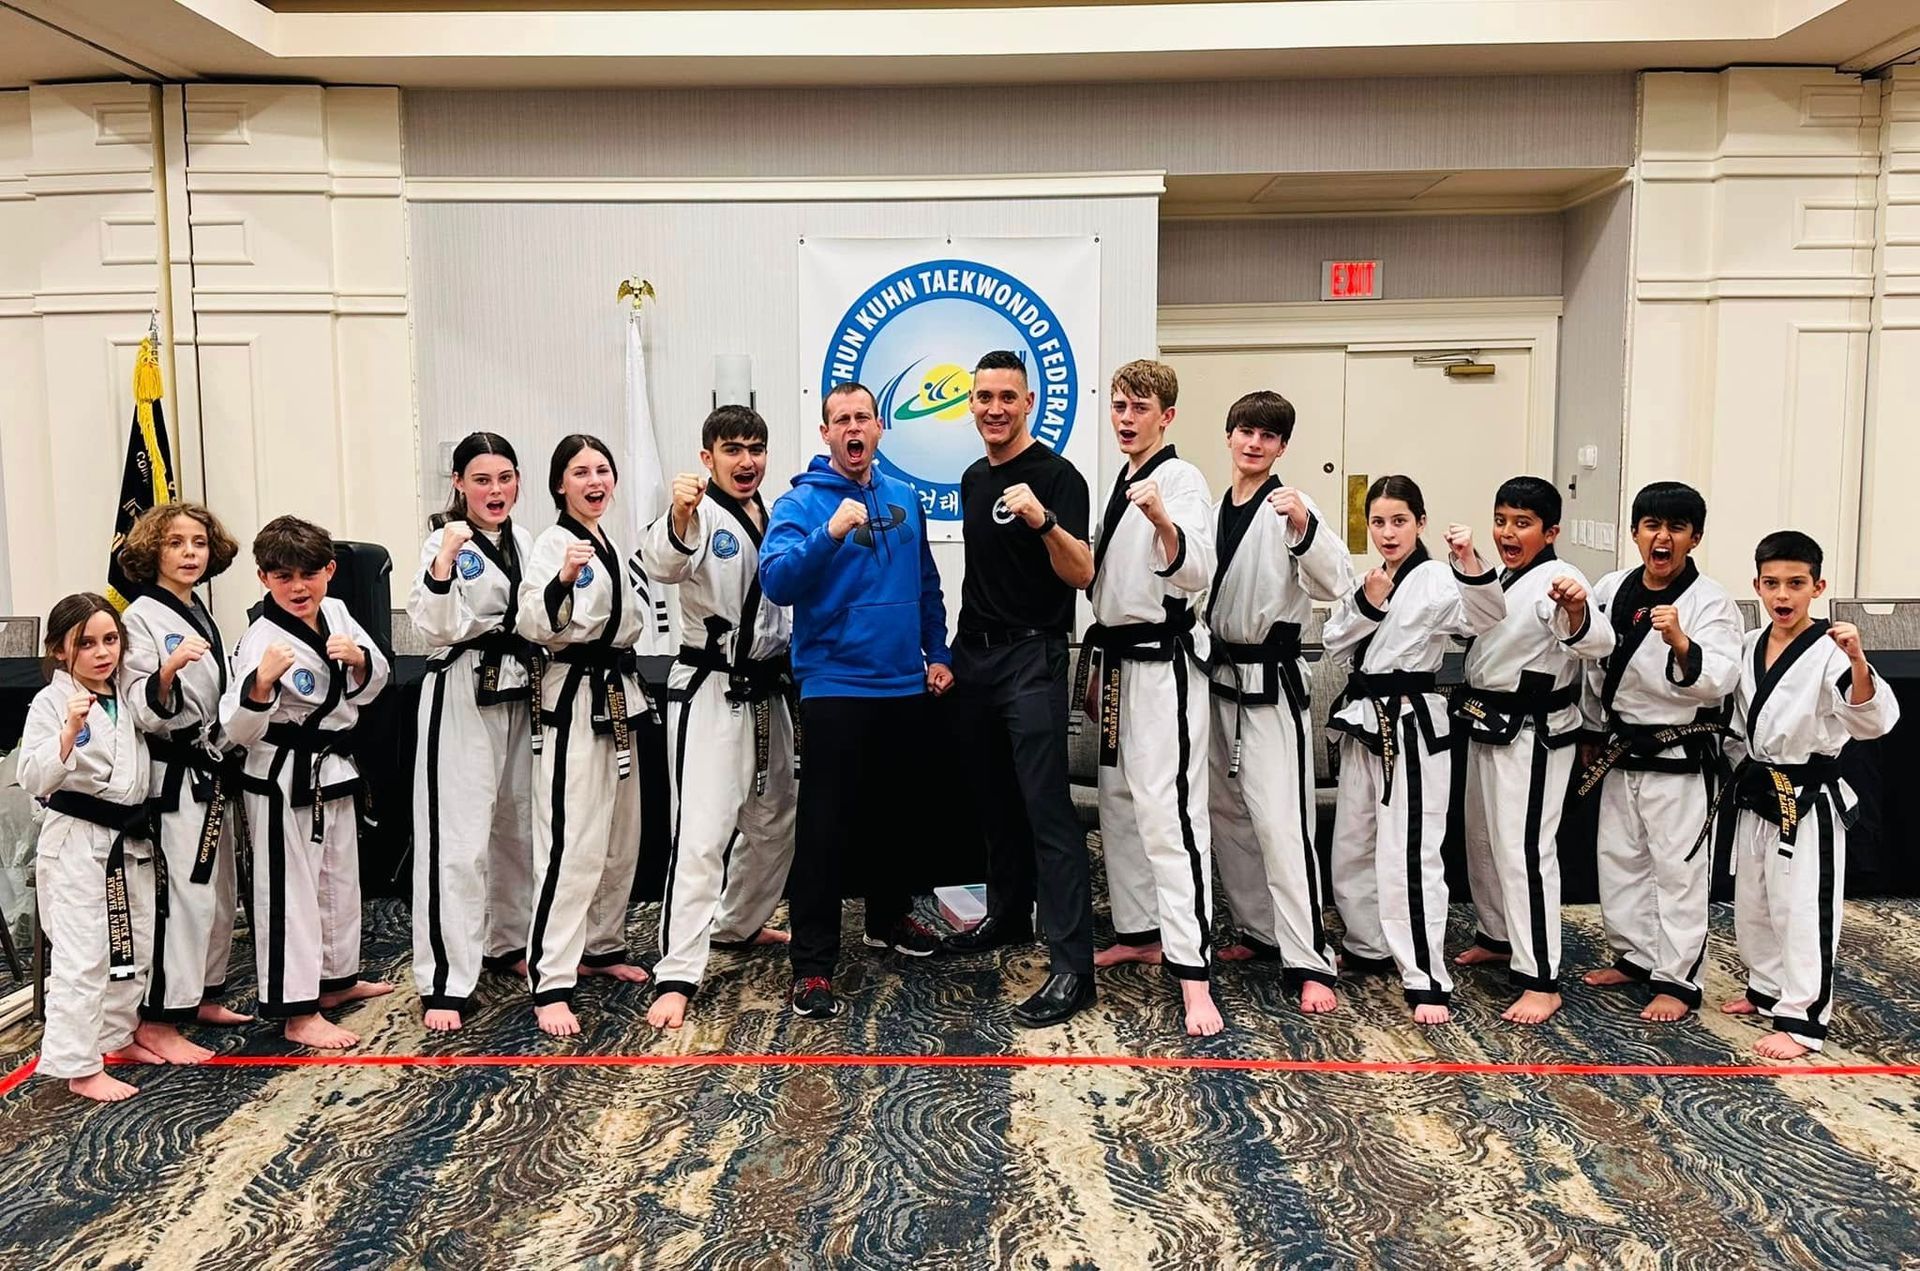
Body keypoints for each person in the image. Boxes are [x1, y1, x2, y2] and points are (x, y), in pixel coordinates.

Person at [760, 381, 952, 1020]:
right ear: (826, 433)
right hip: (835, 683)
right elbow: (777, 581)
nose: (853, 428)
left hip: (902, 681)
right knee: (825, 828)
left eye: (862, 418)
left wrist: (937, 652)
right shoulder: (800, 503)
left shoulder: (904, 497)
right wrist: (829, 534)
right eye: (840, 419)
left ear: (878, 428)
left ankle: (887, 920)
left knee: (896, 815)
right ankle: (813, 965)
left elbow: (927, 583)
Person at [938, 350, 1097, 1029]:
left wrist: (1044, 520)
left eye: (1008, 397)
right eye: (984, 397)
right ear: (971, 404)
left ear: (1029, 402)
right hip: (974, 656)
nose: (995, 408)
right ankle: (1006, 916)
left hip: (1034, 655)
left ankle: (1072, 968)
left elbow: (1082, 572)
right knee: (992, 801)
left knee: (1046, 810)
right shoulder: (974, 477)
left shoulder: (1059, 477)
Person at [639, 405, 796, 1030]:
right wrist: (679, 513)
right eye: (733, 449)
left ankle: (738, 924)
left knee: (775, 820)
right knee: (702, 833)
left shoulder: (776, 513)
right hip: (710, 688)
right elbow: (662, 564)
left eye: (756, 448)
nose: (747, 461)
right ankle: (677, 973)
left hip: (769, 689)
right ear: (708, 458)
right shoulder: (698, 514)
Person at [1326, 477, 1503, 1025]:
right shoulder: (1371, 578)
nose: (1388, 532)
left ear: (1420, 523)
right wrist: (1368, 601)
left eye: (1399, 521)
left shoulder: (1436, 578)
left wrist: (1468, 559)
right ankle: (1367, 944)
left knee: (1409, 851)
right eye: (1379, 522)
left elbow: (1485, 617)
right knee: (1353, 843)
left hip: (1410, 723)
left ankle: (1426, 974)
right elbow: (1334, 642)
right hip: (1363, 720)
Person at [1080, 359, 1223, 1037]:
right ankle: (1139, 932)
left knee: (1171, 817)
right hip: (1116, 662)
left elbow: (1196, 568)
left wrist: (1163, 519)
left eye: (1139, 407)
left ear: (1167, 416)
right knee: (1120, 805)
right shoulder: (1123, 477)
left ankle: (1195, 974)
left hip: (1165, 666)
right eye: (1119, 406)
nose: (1126, 418)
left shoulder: (1181, 478)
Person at [1719, 531, 1900, 1058]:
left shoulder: (1832, 650)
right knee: (1755, 900)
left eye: (1796, 584)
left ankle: (1804, 1019)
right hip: (1759, 788)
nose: (1783, 595)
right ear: (1756, 586)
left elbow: (1872, 720)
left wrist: (1859, 660)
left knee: (1803, 908)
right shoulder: (1750, 643)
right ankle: (1766, 989)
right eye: (1772, 583)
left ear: (1817, 588)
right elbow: (1737, 721)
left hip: (1807, 795)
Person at [1204, 390, 1352, 1013]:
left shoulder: (1292, 505)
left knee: (1282, 823)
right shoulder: (1214, 509)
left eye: (1268, 435)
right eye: (1245, 431)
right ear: (1229, 435)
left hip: (1271, 683)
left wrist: (1304, 529)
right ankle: (1261, 931)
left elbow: (1338, 582)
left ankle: (1311, 957)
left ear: (1282, 447)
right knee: (1228, 814)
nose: (1254, 443)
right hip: (1217, 679)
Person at [221, 516, 392, 1048]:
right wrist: (260, 684)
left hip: (331, 768)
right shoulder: (261, 639)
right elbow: (236, 728)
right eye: (283, 577)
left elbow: (375, 682)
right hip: (280, 776)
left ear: (330, 571)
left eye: (309, 575)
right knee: (289, 891)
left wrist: (360, 660)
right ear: (263, 578)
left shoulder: (336, 611)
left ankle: (336, 980)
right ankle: (296, 1010)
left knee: (338, 878)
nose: (298, 588)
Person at [1577, 482, 1743, 1022]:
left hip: (1679, 753)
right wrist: (1591, 729)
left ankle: (1678, 979)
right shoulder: (1612, 587)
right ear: (1635, 532)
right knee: (1621, 859)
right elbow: (1594, 666)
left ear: (1695, 537)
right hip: (1621, 746)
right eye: (1651, 525)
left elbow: (1721, 678)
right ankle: (1634, 957)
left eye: (1676, 527)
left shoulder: (1710, 601)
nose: (1662, 537)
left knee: (1678, 870)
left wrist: (1681, 643)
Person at [1450, 476, 1613, 1026]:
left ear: (1551, 531)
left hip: (1534, 732)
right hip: (1486, 719)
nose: (1508, 533)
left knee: (1524, 851)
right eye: (1501, 521)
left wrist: (1576, 611)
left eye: (1522, 524)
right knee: (1482, 840)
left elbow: (1599, 643)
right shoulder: (1500, 575)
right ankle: (1497, 936)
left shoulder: (1562, 579)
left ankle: (1541, 978)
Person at [516, 434, 652, 1037]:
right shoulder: (553, 544)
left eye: (602, 470)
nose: (595, 481)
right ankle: (550, 981)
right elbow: (533, 621)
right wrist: (564, 578)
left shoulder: (612, 543)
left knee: (621, 836)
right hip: (572, 701)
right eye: (580, 472)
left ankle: (602, 946)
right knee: (570, 843)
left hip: (619, 695)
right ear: (559, 484)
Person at [409, 432, 538, 1032]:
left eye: (505, 478)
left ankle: (507, 941)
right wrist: (442, 564)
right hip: (461, 687)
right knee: (457, 841)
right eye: (482, 480)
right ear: (459, 484)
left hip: (519, 687)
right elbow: (432, 627)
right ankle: (444, 979)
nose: (495, 490)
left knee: (517, 826)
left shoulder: (526, 540)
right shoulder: (444, 539)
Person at [119, 502, 251, 1053]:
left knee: (219, 892)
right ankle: (159, 1021)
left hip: (209, 765)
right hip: (172, 774)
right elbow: (138, 702)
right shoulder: (139, 617)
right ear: (153, 552)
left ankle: (202, 993)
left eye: (198, 543)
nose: (190, 553)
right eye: (175, 543)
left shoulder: (198, 610)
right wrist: (168, 672)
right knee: (183, 895)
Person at [19, 595, 158, 1100]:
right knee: (83, 955)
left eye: (110, 640)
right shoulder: (51, 702)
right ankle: (78, 1064)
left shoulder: (125, 695)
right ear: (59, 650)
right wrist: (69, 732)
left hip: (126, 837)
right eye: (86, 644)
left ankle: (115, 1037)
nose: (102, 653)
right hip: (77, 840)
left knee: (133, 944)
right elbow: (32, 776)